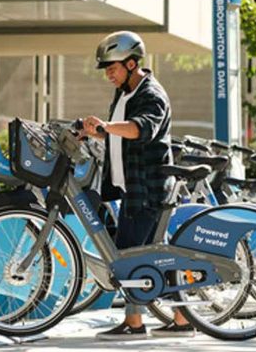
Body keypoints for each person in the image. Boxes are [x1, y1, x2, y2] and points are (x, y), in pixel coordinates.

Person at [79, 31, 195, 340]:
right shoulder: (126, 93)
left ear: (132, 63)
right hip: (133, 186)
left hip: (147, 188)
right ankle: (182, 318)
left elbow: (141, 129)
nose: (108, 75)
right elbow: (120, 134)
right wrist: (96, 132)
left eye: (113, 68)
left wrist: (106, 125)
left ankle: (134, 322)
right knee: (159, 254)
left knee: (129, 254)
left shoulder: (151, 94)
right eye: (106, 69)